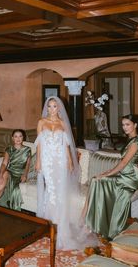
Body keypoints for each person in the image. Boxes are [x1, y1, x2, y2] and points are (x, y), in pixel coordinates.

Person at [83, 114, 138, 240]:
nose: (125, 127)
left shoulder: (137, 141)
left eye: (128, 124)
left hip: (131, 178)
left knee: (97, 180)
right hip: (125, 175)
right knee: (95, 181)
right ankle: (90, 223)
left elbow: (123, 163)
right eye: (123, 125)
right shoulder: (131, 139)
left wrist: (106, 174)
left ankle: (89, 222)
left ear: (135, 125)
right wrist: (106, 173)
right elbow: (121, 164)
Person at [35, 96, 81, 250]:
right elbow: (40, 144)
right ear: (46, 108)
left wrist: (69, 161)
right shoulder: (42, 122)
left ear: (59, 108)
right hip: (47, 161)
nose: (52, 109)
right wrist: (38, 161)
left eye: (55, 106)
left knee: (60, 191)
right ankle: (48, 223)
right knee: (51, 190)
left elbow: (67, 145)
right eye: (50, 106)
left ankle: (60, 225)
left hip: (60, 161)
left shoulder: (62, 124)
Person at [0, 129, 31, 211]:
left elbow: (27, 164)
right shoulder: (9, 149)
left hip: (20, 173)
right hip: (10, 171)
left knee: (3, 185)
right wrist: (0, 174)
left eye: (20, 136)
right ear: (12, 138)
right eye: (16, 136)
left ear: (23, 138)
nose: (18, 138)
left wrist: (25, 175)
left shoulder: (27, 150)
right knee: (3, 176)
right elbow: (4, 163)